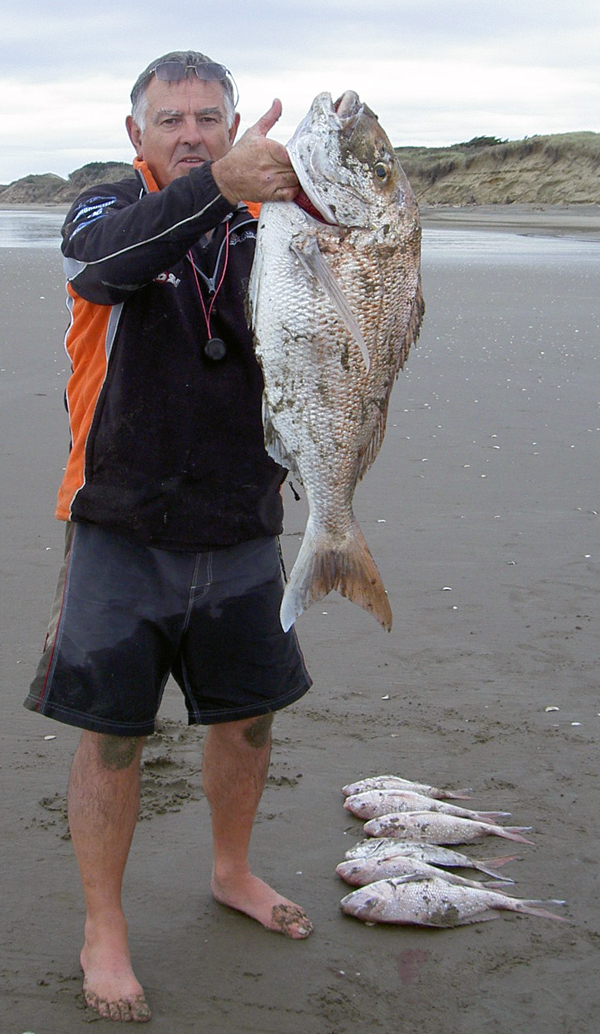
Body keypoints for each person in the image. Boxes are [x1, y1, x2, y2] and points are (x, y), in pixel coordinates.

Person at [24, 50, 314, 1023]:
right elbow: (101, 271)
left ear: (236, 126)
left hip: (242, 523)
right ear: (135, 135)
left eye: (209, 117)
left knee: (250, 717)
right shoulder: (104, 210)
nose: (190, 132)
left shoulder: (276, 221)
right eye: (170, 119)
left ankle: (231, 867)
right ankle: (104, 923)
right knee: (112, 738)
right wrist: (216, 192)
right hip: (119, 523)